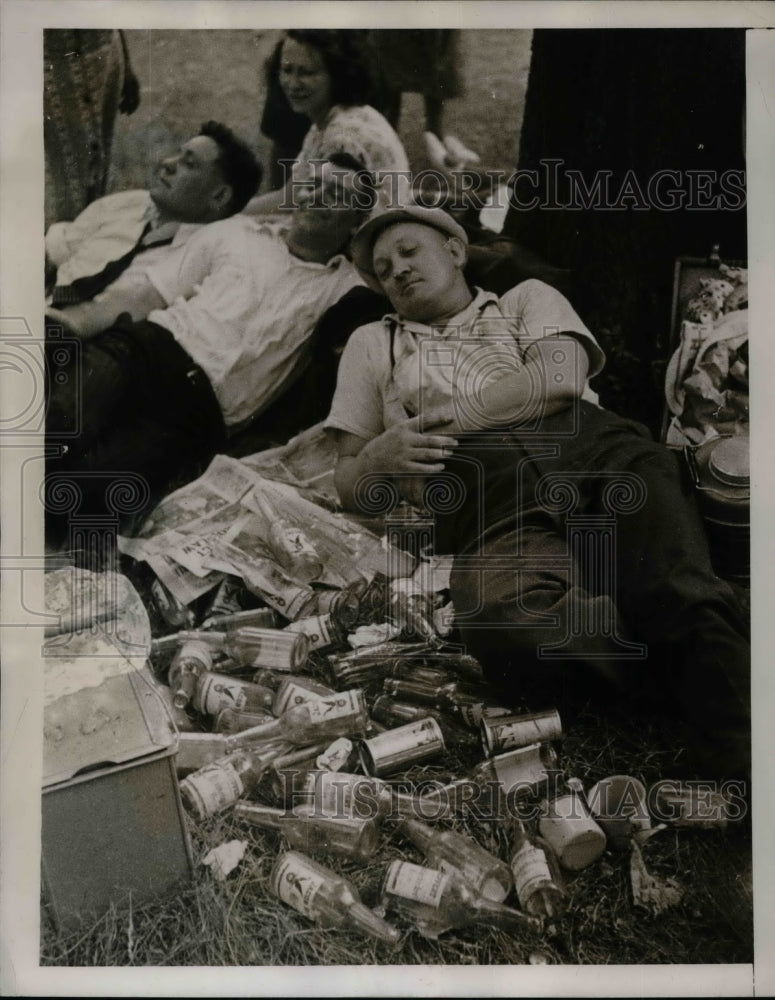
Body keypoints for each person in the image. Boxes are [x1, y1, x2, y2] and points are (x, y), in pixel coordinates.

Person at [323, 202, 751, 779]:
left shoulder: (526, 299)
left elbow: (559, 378)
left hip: (599, 453)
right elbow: (348, 484)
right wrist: (378, 457)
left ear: (455, 251)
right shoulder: (372, 342)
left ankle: (742, 750)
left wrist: (443, 422)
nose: (396, 270)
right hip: (487, 499)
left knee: (674, 581)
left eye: (408, 251)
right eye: (382, 269)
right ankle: (697, 646)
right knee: (503, 620)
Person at [45, 155, 375, 542]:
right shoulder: (237, 234)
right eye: (312, 184)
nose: (317, 196)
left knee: (79, 500)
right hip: (145, 350)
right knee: (50, 429)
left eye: (336, 194)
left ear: (357, 222)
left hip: (195, 414)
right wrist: (70, 323)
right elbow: (147, 295)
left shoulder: (347, 289)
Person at [45, 120, 262, 310]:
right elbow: (55, 251)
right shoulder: (129, 204)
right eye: (178, 154)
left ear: (219, 196)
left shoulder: (204, 260)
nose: (167, 163)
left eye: (189, 163)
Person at [247, 29, 409, 216]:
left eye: (307, 73)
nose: (293, 84)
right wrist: (228, 213)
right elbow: (289, 198)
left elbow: (321, 219)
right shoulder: (327, 122)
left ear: (338, 75)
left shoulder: (344, 137)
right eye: (287, 70)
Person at [44, 29, 142, 230]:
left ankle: (84, 240)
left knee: (96, 176)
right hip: (54, 66)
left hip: (103, 55)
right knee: (59, 180)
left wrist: (126, 63)